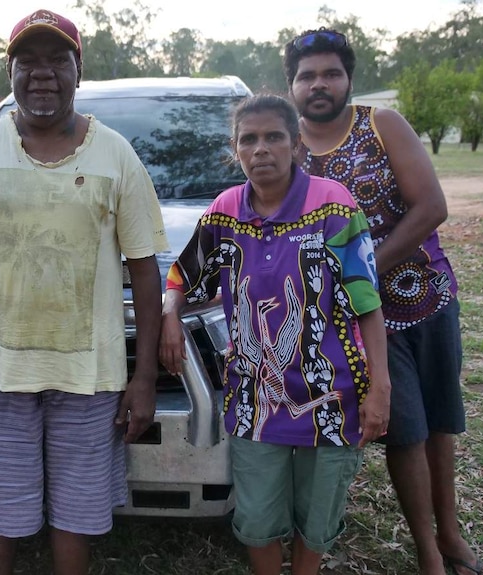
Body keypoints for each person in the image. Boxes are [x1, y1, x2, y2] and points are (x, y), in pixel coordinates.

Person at [0, 9, 167, 575]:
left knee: (77, 514)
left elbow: (145, 271)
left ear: (77, 70)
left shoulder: (115, 155)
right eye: (27, 61)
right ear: (8, 72)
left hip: (90, 376)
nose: (42, 74)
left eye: (56, 60)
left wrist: (144, 376)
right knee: (0, 512)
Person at [284, 29, 483, 575]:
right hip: (359, 321)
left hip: (427, 299)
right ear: (292, 86)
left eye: (330, 73)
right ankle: (428, 552)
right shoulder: (288, 151)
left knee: (440, 422)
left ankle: (451, 534)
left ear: (348, 78)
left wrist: (364, 269)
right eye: (307, 76)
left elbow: (431, 207)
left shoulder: (381, 125)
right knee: (405, 429)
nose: (319, 84)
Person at [160, 94, 391, 575]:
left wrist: (381, 389)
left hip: (333, 397)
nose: (261, 149)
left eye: (274, 137)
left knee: (318, 514)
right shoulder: (224, 212)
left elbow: (367, 303)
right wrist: (169, 315)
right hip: (255, 402)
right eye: (249, 139)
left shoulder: (334, 205)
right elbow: (182, 276)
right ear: (235, 148)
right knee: (258, 516)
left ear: (297, 144)